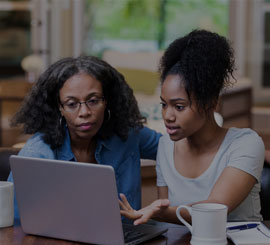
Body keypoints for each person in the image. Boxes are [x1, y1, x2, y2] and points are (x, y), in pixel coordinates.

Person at [120, 29, 265, 225]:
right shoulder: (165, 145)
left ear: (211, 102)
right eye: (164, 105)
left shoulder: (246, 143)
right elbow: (168, 216)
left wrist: (157, 212)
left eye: (179, 107)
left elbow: (216, 207)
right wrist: (160, 212)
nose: (168, 116)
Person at [8, 55, 161, 220]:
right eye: (72, 104)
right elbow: (15, 225)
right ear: (59, 107)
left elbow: (175, 149)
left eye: (93, 101)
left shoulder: (128, 133)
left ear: (108, 100)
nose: (84, 112)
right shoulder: (37, 154)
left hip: (129, 240)